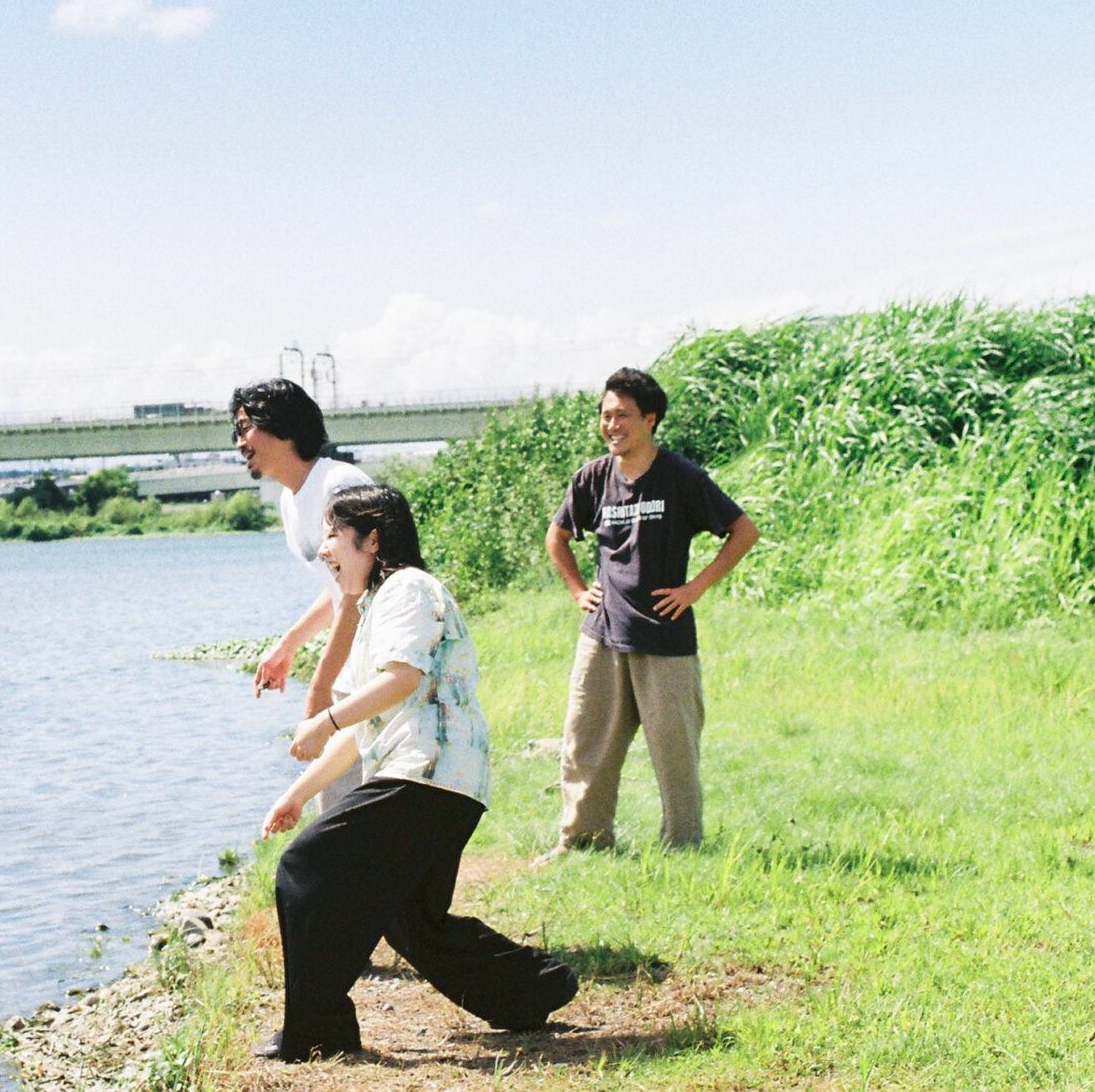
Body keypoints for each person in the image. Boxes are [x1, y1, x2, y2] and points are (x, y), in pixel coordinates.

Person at [258, 485, 578, 1062]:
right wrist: (298, 795)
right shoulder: (379, 605)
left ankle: (317, 1029)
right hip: (437, 781)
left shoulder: (408, 587)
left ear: (372, 538)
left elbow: (402, 680)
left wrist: (324, 719)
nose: (325, 548)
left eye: (333, 533)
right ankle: (535, 989)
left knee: (306, 866)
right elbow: (366, 730)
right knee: (412, 920)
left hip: (425, 775)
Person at [540, 367, 759, 861]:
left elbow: (743, 531)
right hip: (602, 635)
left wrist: (693, 589)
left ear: (650, 420)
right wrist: (578, 589)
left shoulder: (681, 477)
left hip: (665, 637)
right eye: (605, 416)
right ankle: (583, 843)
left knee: (675, 754)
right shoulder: (593, 477)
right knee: (584, 744)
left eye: (623, 416)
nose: (611, 425)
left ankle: (683, 847)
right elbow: (558, 537)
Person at [232, 378, 373, 811]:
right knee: (340, 805)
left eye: (246, 428)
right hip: (360, 659)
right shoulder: (291, 501)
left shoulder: (338, 484)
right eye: (236, 432)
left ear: (284, 427)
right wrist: (288, 645)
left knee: (351, 807)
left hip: (388, 657)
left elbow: (357, 591)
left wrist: (319, 687)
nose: (239, 443)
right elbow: (336, 588)